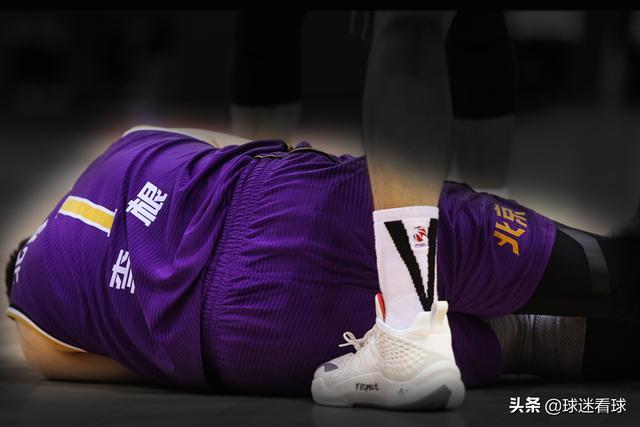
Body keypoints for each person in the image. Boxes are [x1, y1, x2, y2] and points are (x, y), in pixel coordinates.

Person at [5, 127, 639, 409]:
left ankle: (527, 335)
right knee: (601, 271)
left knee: (522, 338)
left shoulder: (33, 326)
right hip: (287, 204)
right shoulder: (128, 144)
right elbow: (245, 150)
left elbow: (143, 363)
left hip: (241, 331)